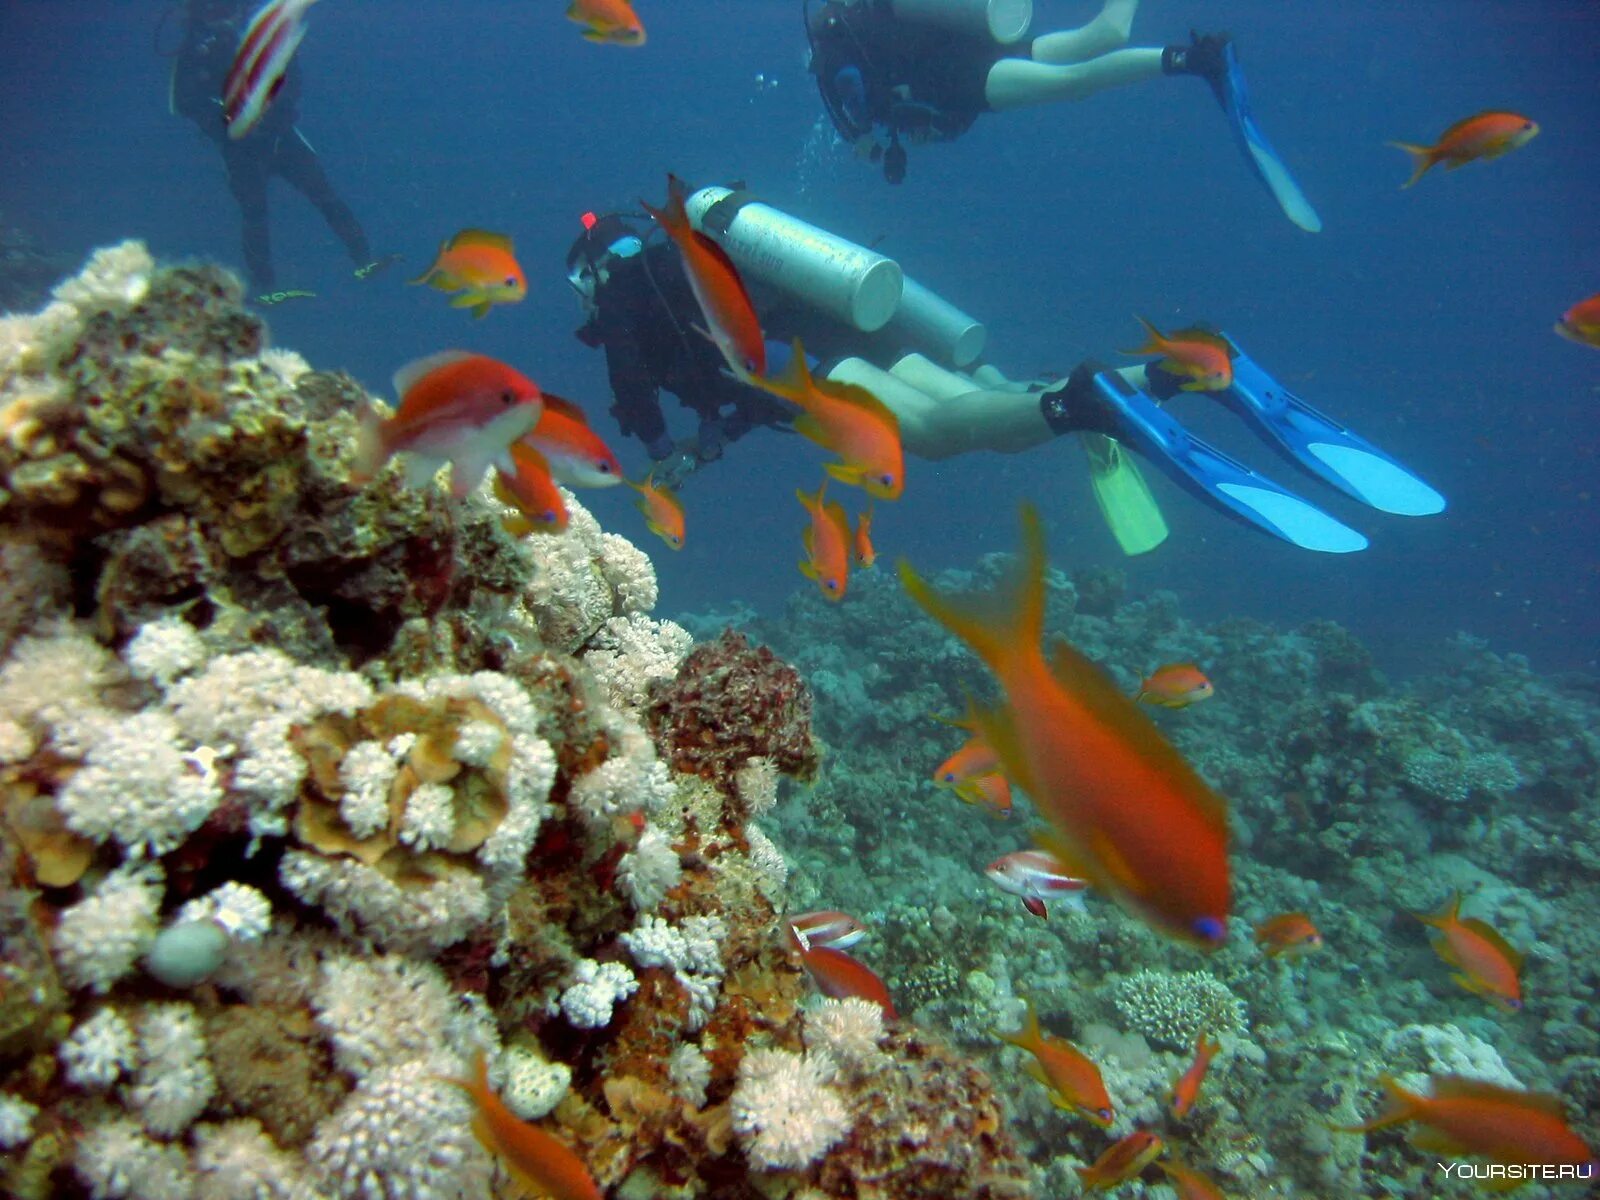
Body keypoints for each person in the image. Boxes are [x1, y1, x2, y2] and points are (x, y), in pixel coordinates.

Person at [568, 184, 1441, 550]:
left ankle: (1089, 406)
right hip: (847, 324)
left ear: (595, 263)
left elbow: (634, 385)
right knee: (985, 398)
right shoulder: (692, 251)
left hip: (802, 365)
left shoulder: (619, 291)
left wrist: (653, 451)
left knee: (940, 435)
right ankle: (1183, 372)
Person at [805, 0, 1321, 232]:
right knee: (1095, 39)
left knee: (1072, 84)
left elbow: (863, 112)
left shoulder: (832, 54)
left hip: (963, 79)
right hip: (977, 45)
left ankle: (1197, 61)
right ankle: (1192, 58)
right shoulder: (863, 20)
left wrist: (869, 142)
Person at [566, 211, 800, 485]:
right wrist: (725, 431)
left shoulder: (617, 298)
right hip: (805, 352)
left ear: (594, 269)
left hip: (793, 378)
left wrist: (662, 452)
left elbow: (629, 382)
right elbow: (765, 393)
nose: (583, 299)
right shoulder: (675, 263)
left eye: (579, 285)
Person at [169, 0, 373, 294]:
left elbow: (289, 75)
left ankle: (364, 257)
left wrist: (275, 114)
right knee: (255, 214)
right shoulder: (195, 48)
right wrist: (223, 124)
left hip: (281, 137)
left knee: (325, 195)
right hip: (239, 148)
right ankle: (266, 286)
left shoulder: (260, 33)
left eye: (228, 8)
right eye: (212, 10)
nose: (223, 18)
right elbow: (185, 102)